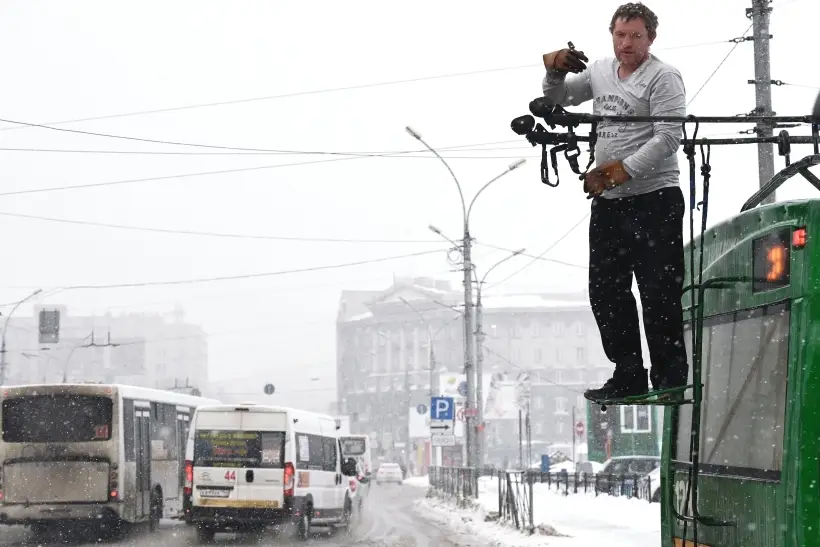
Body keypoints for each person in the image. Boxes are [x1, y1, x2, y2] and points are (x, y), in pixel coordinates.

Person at [541, 2, 688, 400]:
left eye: (635, 36)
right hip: (610, 203)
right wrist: (555, 69)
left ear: (650, 38)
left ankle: (671, 379)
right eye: (620, 35)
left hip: (655, 199)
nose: (626, 44)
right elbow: (561, 98)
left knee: (658, 291)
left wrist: (617, 171)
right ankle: (628, 373)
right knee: (606, 292)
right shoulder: (602, 71)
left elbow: (668, 138)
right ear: (612, 35)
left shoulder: (663, 78)